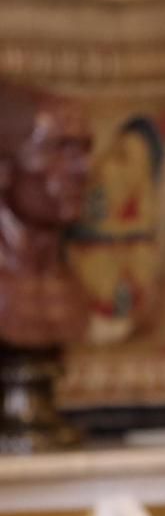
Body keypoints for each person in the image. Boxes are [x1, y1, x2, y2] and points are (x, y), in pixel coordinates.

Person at [0, 79, 91, 349]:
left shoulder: (74, 289)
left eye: (84, 149)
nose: (82, 168)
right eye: (58, 148)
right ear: (4, 169)